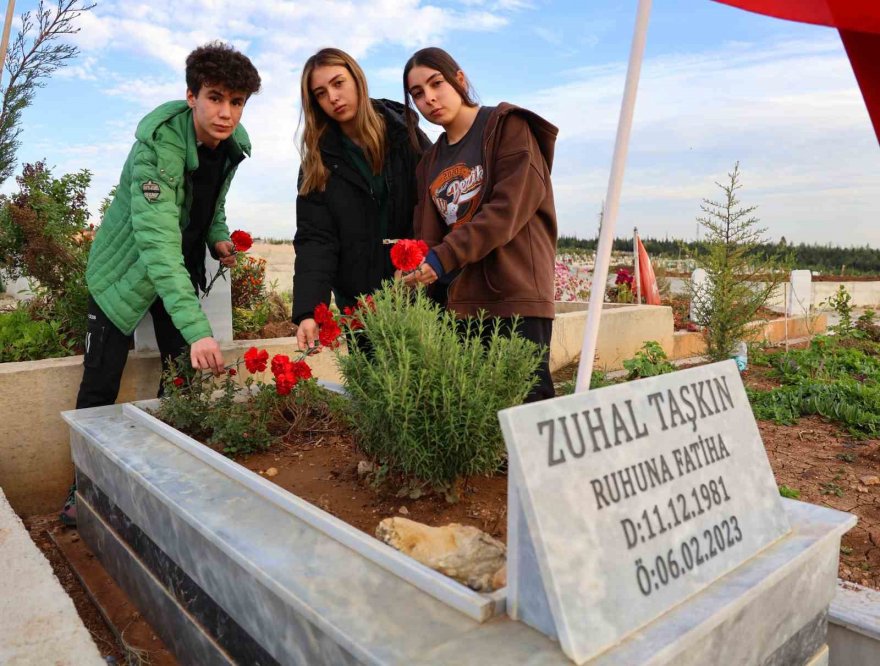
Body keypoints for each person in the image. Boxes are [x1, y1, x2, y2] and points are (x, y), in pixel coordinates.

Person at [62, 41, 261, 525]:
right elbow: (156, 248)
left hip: (177, 269)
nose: (226, 112)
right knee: (100, 386)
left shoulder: (229, 147)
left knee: (182, 379)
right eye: (215, 97)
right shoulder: (155, 150)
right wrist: (198, 329)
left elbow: (210, 206)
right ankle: (83, 489)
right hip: (126, 273)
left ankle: (165, 478)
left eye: (236, 102)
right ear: (191, 95)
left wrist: (217, 239)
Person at [401, 47, 558, 402]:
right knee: (477, 415)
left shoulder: (507, 128)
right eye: (418, 94)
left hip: (513, 295)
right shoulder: (430, 162)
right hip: (462, 304)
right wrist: (415, 269)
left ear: (460, 79)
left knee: (530, 409)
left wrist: (443, 257)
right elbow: (428, 236)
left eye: (436, 83)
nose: (429, 98)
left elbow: (507, 210)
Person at [293, 48, 430, 349]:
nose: (333, 97)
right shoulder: (318, 162)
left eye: (338, 83)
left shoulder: (404, 134)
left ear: (357, 79)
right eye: (320, 93)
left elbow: (433, 205)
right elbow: (316, 240)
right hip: (359, 306)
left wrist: (419, 259)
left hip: (416, 291)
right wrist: (307, 311)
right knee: (373, 391)